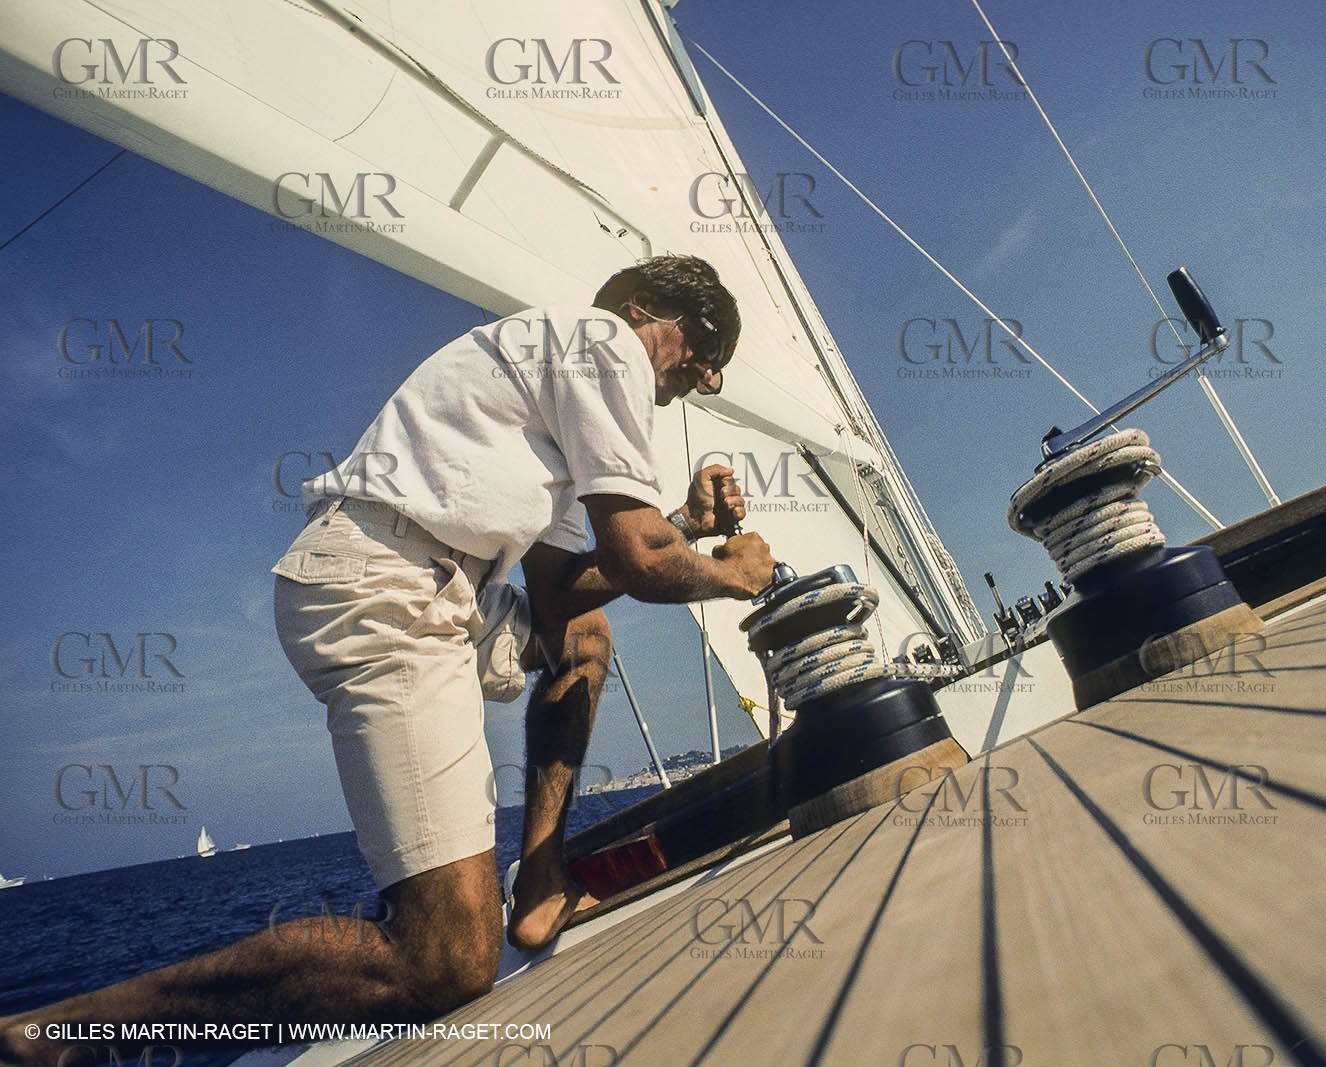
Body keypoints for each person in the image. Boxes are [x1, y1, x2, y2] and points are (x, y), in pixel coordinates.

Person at [0, 255, 774, 1066]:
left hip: (435, 586)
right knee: (448, 960)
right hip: (384, 585)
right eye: (705, 342)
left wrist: (680, 519)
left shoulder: (556, 393)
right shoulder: (602, 341)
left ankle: (541, 879)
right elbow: (637, 558)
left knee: (584, 639)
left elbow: (559, 600)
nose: (707, 373)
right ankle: (52, 1037)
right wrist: (736, 572)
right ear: (646, 308)